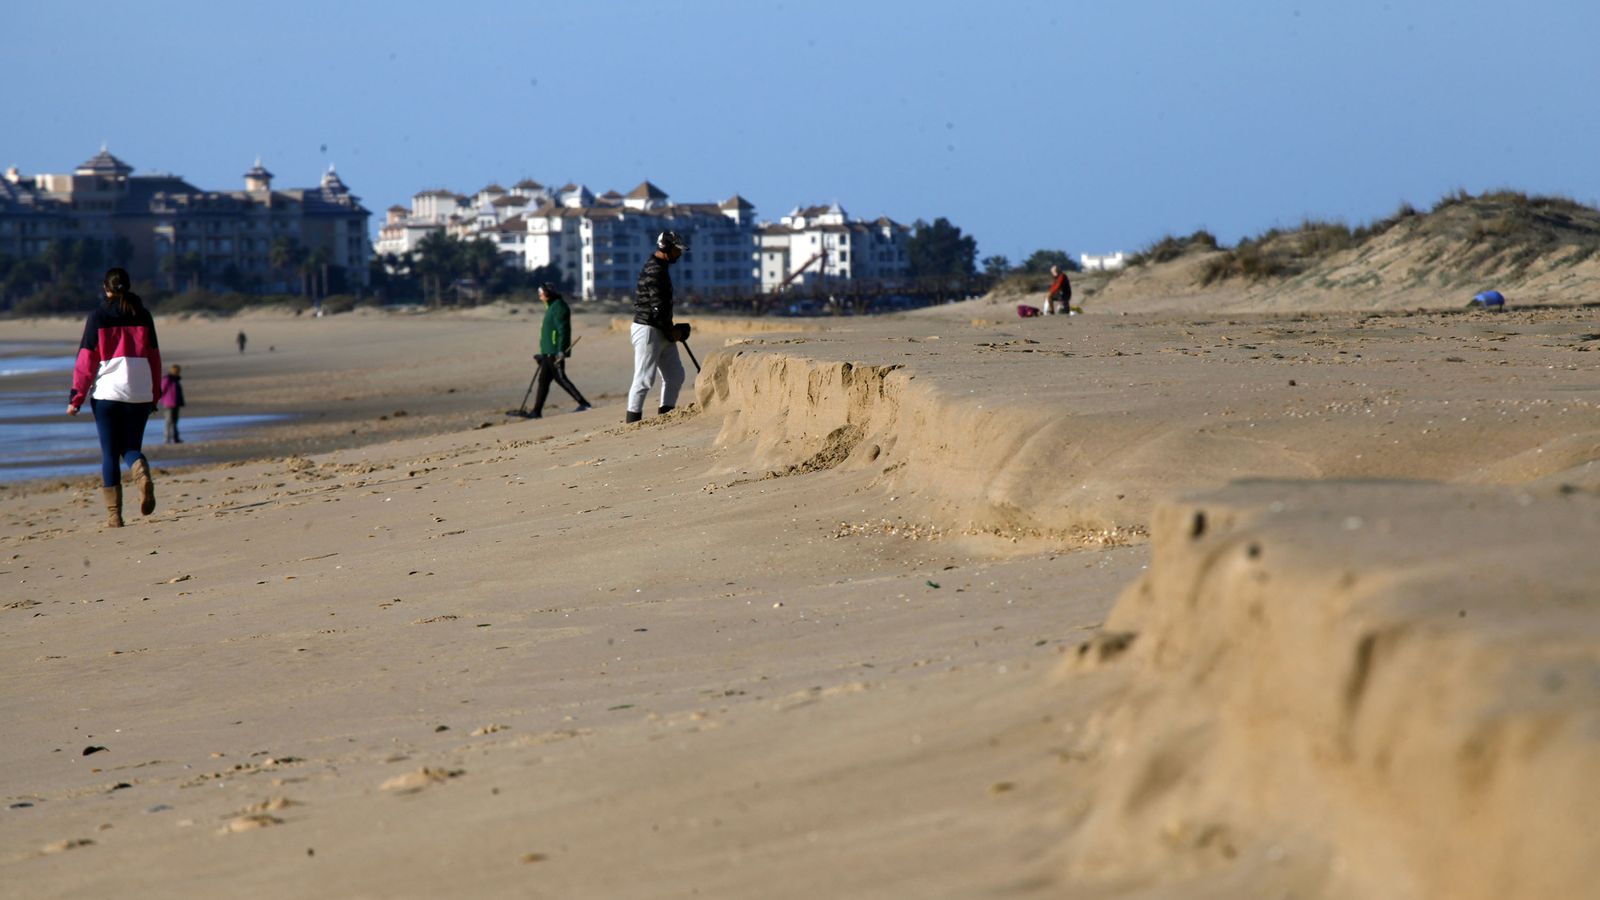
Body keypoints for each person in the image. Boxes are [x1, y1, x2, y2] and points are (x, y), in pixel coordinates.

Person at [68, 268, 161, 528]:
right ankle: (139, 468)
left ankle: (114, 515)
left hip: (108, 393)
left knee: (109, 453)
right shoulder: (143, 315)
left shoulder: (97, 316)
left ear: (105, 288)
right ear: (128, 287)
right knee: (130, 447)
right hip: (140, 391)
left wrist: (76, 397)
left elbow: (86, 360)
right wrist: (154, 394)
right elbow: (154, 357)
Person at [626, 230, 689, 423]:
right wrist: (672, 331)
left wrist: (670, 331)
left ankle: (665, 417)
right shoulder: (655, 270)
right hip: (648, 330)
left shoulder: (660, 267)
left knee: (675, 375)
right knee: (644, 379)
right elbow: (657, 306)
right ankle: (632, 421)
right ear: (666, 248)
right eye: (677, 251)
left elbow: (660, 308)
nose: (679, 255)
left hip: (660, 329)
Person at [529, 283, 590, 418]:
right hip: (548, 352)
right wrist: (543, 353)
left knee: (561, 378)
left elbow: (563, 330)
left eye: (541, 294)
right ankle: (536, 411)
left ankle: (584, 404)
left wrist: (560, 350)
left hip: (555, 352)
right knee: (543, 381)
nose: (540, 297)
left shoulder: (559, 307)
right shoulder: (551, 307)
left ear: (548, 293)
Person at [158, 363, 186, 443]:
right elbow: (162, 390)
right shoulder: (167, 379)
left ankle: (175, 438)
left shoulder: (176, 379)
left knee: (175, 421)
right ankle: (167, 439)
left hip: (176, 403)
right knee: (168, 421)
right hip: (168, 403)